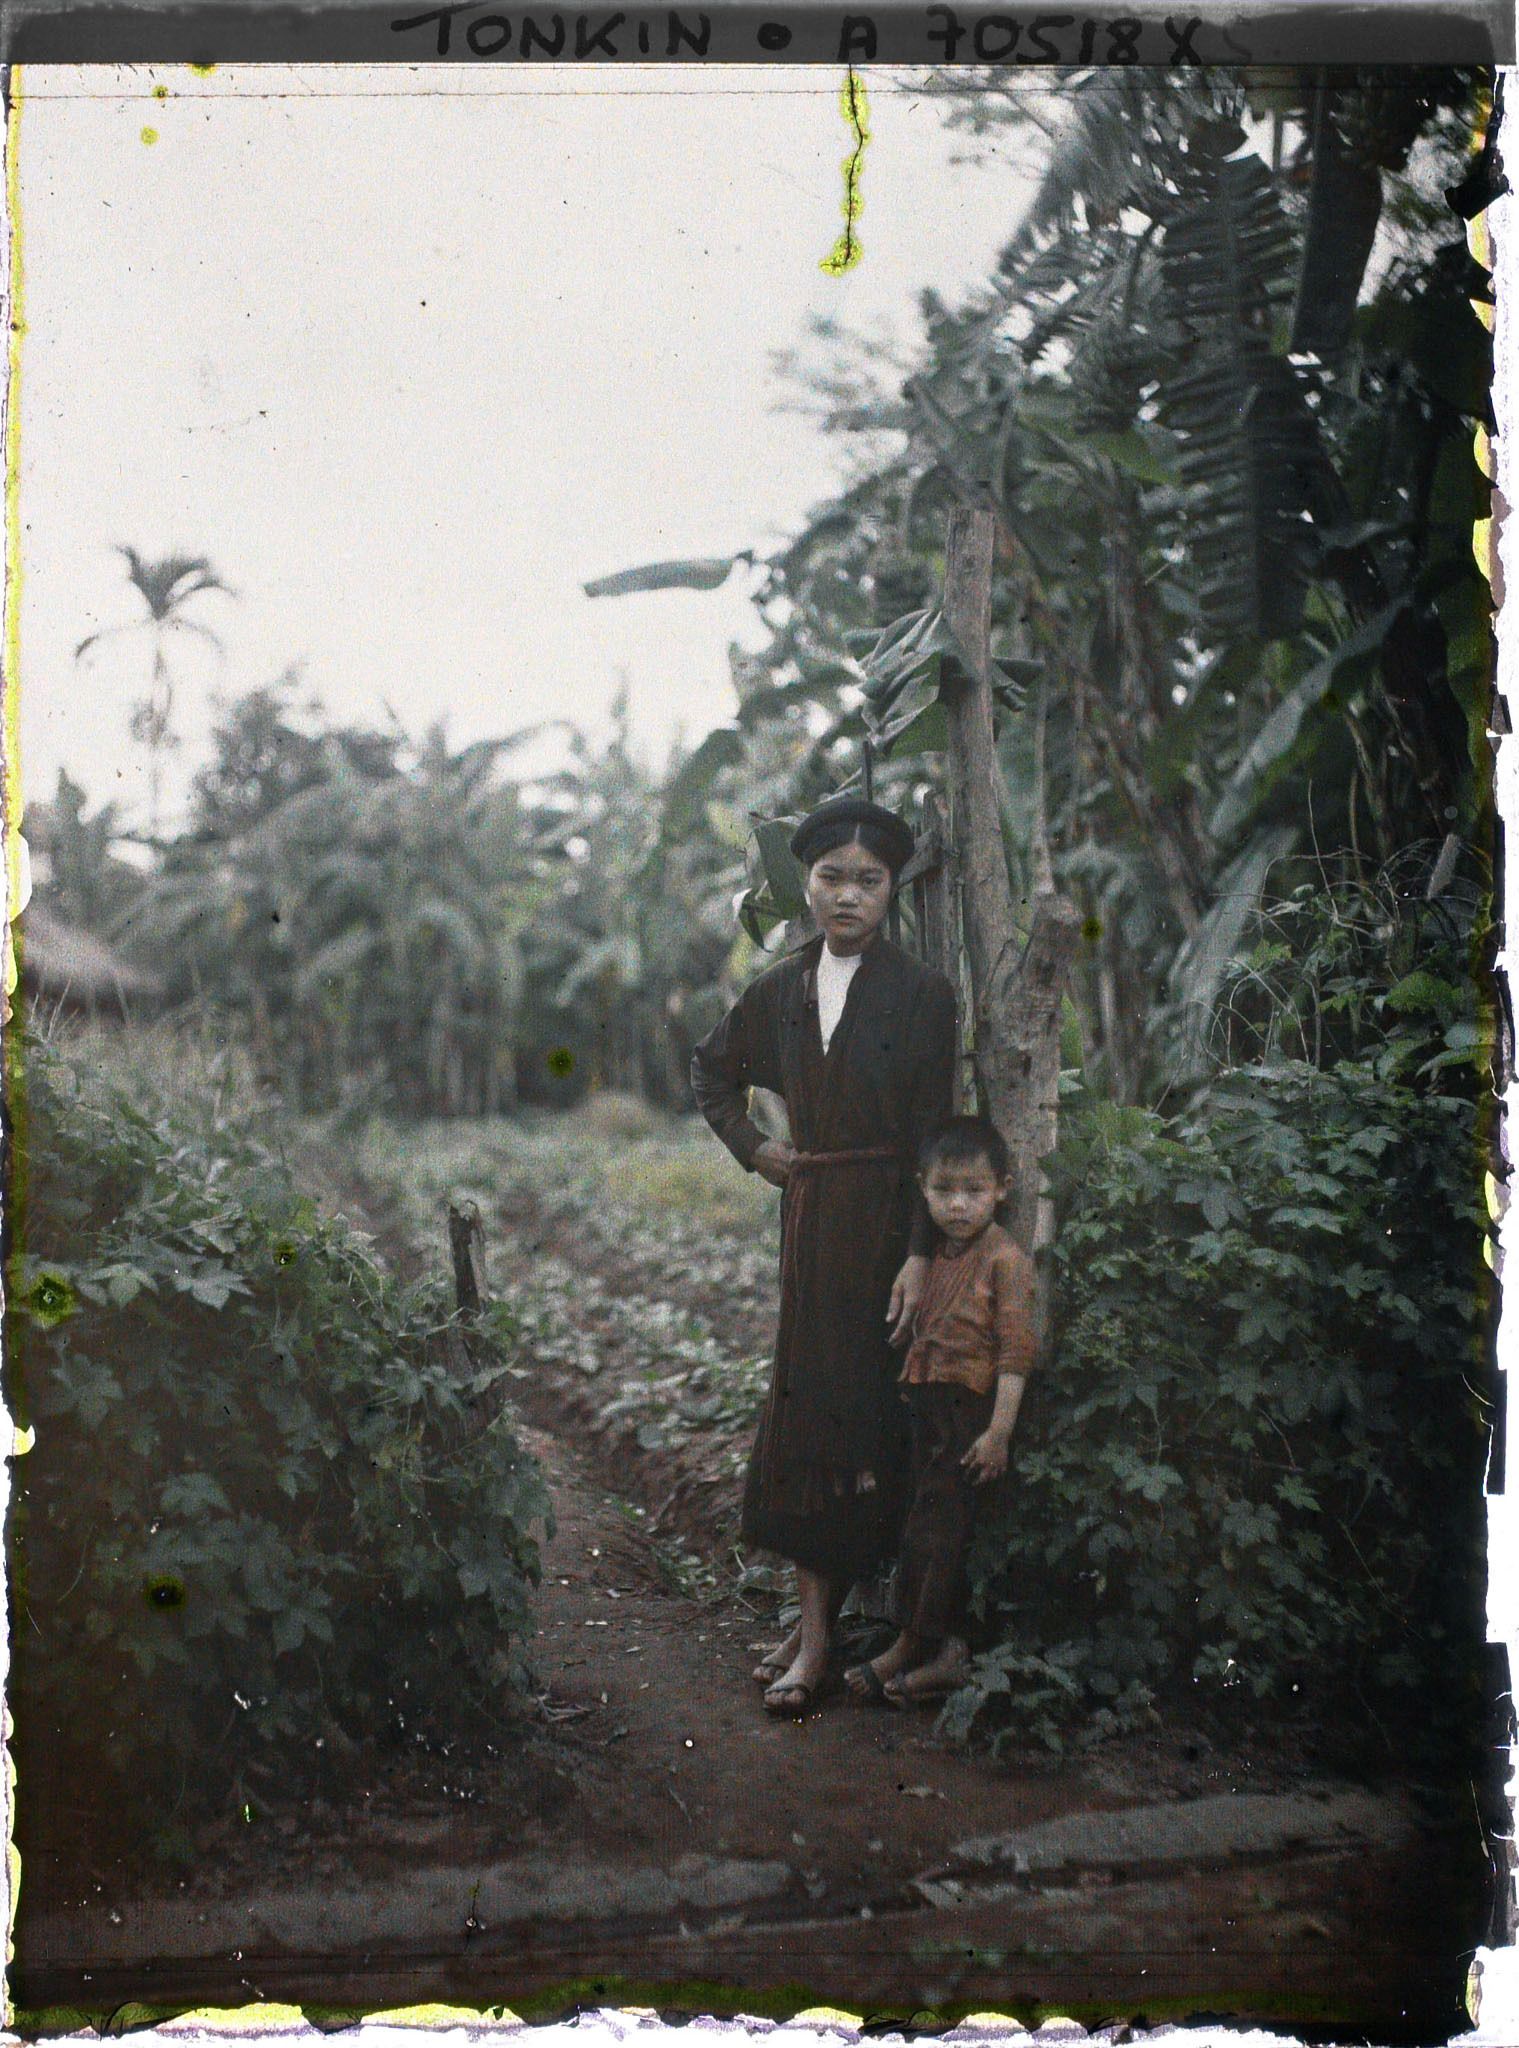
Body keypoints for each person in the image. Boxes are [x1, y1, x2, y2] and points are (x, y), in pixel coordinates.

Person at [690, 796, 958, 1716]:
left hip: (888, 1223)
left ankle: (841, 1627)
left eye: (868, 880)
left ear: (892, 891)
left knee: (873, 1421)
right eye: (831, 878)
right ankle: (811, 1643)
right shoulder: (779, 991)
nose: (847, 896)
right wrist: (755, 1150)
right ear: (804, 883)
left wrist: (921, 1257)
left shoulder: (922, 996)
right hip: (813, 1222)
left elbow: (932, 1138)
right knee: (807, 1420)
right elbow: (709, 1072)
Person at [845, 1114, 1036, 1708]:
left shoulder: (1005, 1259)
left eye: (974, 1191)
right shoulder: (936, 1259)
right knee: (922, 1529)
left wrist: (999, 1433)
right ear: (923, 1188)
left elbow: (1015, 1354)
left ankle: (916, 1647)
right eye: (944, 1191)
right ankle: (940, 1650)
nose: (959, 1206)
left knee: (940, 1533)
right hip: (927, 1415)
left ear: (1002, 1188)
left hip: (970, 1418)